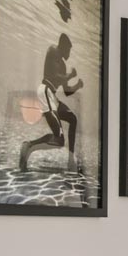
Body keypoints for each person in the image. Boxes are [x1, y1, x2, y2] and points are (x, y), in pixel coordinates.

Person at [20, 33, 82, 172]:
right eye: (68, 50)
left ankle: (71, 158)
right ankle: (29, 146)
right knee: (59, 139)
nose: (69, 53)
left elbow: (66, 91)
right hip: (45, 91)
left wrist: (77, 85)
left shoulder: (64, 66)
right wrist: (71, 75)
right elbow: (55, 76)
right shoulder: (53, 50)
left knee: (72, 118)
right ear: (63, 46)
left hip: (52, 95)